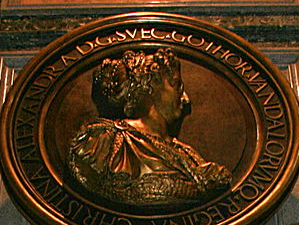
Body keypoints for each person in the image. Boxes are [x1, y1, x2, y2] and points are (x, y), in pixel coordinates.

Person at [66, 48, 231, 207]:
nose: (186, 99)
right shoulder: (103, 142)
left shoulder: (187, 154)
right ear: (151, 86)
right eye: (176, 86)